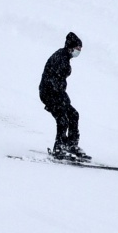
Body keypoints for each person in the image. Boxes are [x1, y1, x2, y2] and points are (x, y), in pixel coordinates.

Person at [39, 32, 88, 161]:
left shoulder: (64, 57)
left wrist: (63, 97)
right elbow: (53, 81)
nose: (79, 52)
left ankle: (71, 145)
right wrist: (62, 98)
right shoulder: (60, 59)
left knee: (73, 115)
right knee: (63, 119)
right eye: (77, 49)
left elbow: (59, 83)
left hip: (57, 93)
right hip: (49, 93)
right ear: (70, 47)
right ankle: (59, 148)